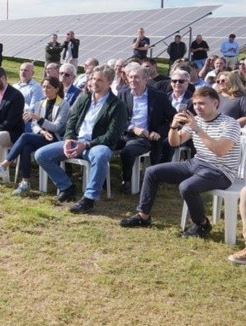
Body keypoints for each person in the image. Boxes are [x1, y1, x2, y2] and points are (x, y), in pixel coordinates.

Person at [120, 87, 242, 238]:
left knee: (186, 187)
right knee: (152, 172)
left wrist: (197, 129)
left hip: (221, 171)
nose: (197, 107)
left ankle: (202, 224)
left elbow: (220, 151)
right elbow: (174, 142)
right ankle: (143, 216)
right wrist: (173, 126)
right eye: (195, 104)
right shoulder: (196, 121)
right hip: (197, 163)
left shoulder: (230, 124)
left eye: (202, 103)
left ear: (215, 103)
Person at [34, 65, 128, 213]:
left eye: (99, 80)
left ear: (110, 82)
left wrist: (86, 145)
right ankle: (67, 187)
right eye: (93, 79)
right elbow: (71, 122)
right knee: (41, 155)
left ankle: (89, 199)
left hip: (97, 144)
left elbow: (112, 135)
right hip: (75, 142)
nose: (94, 83)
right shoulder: (84, 98)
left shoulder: (117, 105)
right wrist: (68, 139)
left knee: (101, 155)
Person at [0, 76, 71, 194]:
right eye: (43, 87)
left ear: (56, 89)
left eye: (48, 87)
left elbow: (57, 127)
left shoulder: (63, 105)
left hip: (55, 139)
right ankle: (25, 182)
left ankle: (3, 166)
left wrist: (39, 119)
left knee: (25, 136)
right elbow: (34, 125)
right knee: (26, 147)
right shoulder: (40, 103)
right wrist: (42, 131)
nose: (45, 90)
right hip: (42, 136)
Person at [115, 64, 176, 194]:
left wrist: (159, 132)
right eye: (130, 77)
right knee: (103, 145)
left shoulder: (159, 97)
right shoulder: (123, 93)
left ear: (146, 79)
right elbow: (117, 117)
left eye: (136, 77)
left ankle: (127, 180)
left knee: (127, 151)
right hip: (125, 133)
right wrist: (132, 127)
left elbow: (173, 118)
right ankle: (103, 180)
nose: (132, 80)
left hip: (145, 137)